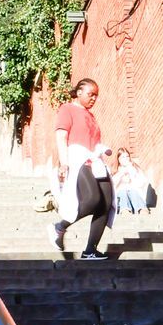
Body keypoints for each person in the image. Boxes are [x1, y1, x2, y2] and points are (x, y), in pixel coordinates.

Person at [50, 78, 114, 260]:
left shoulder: (90, 115)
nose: (94, 98)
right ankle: (59, 227)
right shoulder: (67, 109)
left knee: (106, 203)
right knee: (93, 198)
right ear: (79, 92)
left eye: (96, 96)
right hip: (78, 159)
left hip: (95, 160)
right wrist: (64, 163)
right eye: (90, 94)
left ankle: (90, 251)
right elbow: (61, 136)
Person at [113, 149, 151, 216]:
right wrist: (121, 173)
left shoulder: (135, 169)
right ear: (118, 159)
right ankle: (125, 210)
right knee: (123, 191)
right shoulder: (115, 171)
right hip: (121, 199)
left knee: (132, 191)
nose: (126, 159)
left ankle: (142, 209)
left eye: (127, 156)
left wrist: (132, 172)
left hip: (135, 197)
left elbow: (141, 184)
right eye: (123, 157)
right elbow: (112, 185)